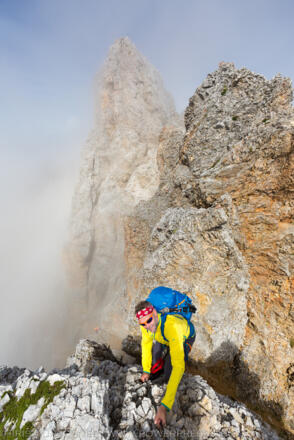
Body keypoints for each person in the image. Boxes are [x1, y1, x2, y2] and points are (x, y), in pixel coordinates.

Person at [135, 300, 195, 427]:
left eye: (149, 320)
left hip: (183, 338)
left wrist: (164, 406)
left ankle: (170, 356)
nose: (147, 326)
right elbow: (145, 345)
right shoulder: (147, 326)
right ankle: (166, 355)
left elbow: (179, 367)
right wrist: (146, 370)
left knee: (169, 373)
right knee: (154, 367)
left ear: (155, 313)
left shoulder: (172, 326)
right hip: (163, 336)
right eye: (143, 323)